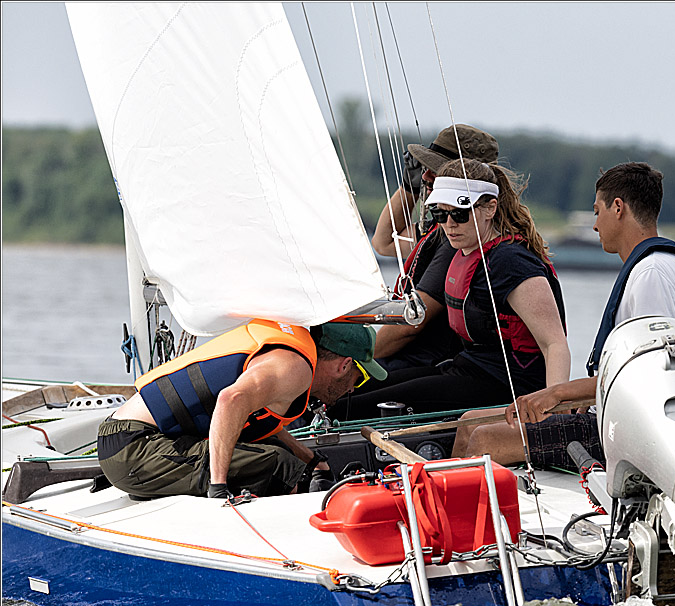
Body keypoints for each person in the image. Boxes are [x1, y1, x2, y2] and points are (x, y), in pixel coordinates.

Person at [454, 161, 675, 469]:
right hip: (627, 418)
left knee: (485, 439)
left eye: (597, 211)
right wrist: (579, 398)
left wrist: (557, 393)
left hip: (632, 433)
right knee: (469, 422)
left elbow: (647, 375)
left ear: (618, 208)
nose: (595, 225)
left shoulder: (650, 275)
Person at [331, 159, 570, 420]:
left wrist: (553, 411)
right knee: (347, 391)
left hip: (507, 384)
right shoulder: (465, 251)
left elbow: (554, 343)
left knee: (352, 408)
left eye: (459, 213)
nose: (449, 224)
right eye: (440, 214)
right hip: (467, 368)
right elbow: (383, 240)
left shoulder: (510, 263)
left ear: (490, 208)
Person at [96, 320, 386, 499]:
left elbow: (258, 421)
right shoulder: (295, 368)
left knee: (290, 461)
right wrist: (218, 486)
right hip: (133, 449)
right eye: (357, 378)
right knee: (279, 466)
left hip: (132, 440)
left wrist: (311, 459)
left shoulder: (288, 355)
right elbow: (230, 401)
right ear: (344, 365)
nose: (352, 388)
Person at [368, 124, 500, 375]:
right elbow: (384, 242)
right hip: (408, 358)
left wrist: (358, 358)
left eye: (437, 170)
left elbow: (410, 325)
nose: (426, 176)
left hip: (424, 363)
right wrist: (410, 187)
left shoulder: (457, 240)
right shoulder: (442, 230)